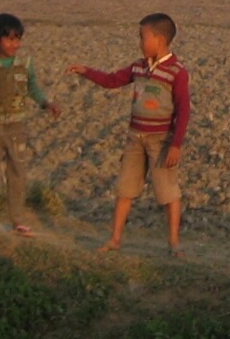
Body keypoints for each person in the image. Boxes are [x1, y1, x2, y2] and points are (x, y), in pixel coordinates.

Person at [69, 13, 193, 257]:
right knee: (125, 189)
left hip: (161, 141)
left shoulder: (177, 72)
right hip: (135, 137)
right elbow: (112, 80)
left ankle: (174, 242)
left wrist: (176, 145)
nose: (139, 42)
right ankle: (115, 239)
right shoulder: (139, 67)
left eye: (142, 37)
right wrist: (86, 71)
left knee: (168, 192)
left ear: (159, 39)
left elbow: (184, 110)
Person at [0, 13, 62, 236]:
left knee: (18, 172)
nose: (15, 44)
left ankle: (17, 220)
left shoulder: (25, 65)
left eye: (18, 39)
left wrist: (46, 103)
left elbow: (32, 88)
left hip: (17, 127)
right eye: (9, 39)